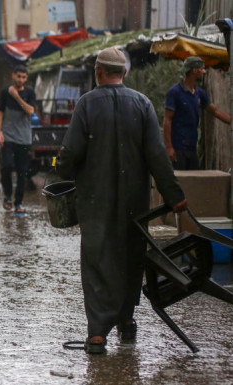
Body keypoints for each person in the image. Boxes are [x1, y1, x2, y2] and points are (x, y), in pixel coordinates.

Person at [56, 47, 188, 354]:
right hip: (134, 202)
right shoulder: (142, 103)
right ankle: (127, 322)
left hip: (94, 200)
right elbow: (157, 156)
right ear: (124, 73)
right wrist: (174, 196)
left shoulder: (87, 104)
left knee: (98, 260)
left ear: (98, 72)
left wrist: (60, 175)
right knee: (131, 258)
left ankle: (98, 334)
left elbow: (71, 153)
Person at [163, 56, 232, 170]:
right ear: (195, 70)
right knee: (181, 183)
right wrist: (169, 147)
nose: (204, 72)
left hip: (192, 148)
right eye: (203, 69)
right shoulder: (175, 92)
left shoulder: (199, 93)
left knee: (195, 181)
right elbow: (167, 120)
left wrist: (231, 121)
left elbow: (215, 111)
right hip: (178, 148)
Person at [0, 65, 36, 214]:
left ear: (26, 78)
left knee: (22, 172)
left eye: (24, 77)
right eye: (18, 76)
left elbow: (31, 111)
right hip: (8, 136)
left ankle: (18, 202)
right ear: (13, 75)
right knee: (6, 166)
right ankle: (7, 196)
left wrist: (17, 96)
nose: (21, 79)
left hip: (24, 138)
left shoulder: (30, 92)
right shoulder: (5, 92)